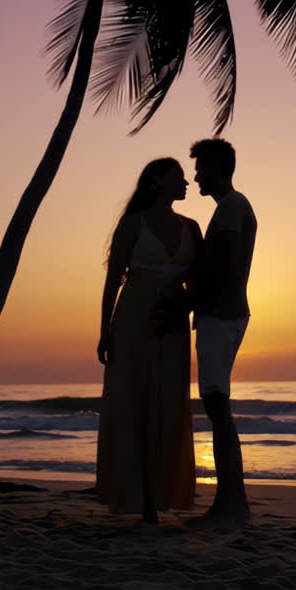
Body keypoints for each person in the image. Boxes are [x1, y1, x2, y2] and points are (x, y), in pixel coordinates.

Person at [95, 158, 203, 521]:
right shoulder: (133, 225)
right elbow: (113, 282)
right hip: (133, 318)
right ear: (158, 182)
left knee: (169, 401)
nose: (186, 183)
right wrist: (104, 331)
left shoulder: (192, 227)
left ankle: (162, 494)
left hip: (172, 321)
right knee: (134, 399)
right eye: (179, 178)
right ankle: (139, 501)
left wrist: (187, 308)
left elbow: (200, 280)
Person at [188, 138, 257, 529]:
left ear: (217, 167)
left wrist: (185, 298)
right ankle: (231, 502)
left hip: (221, 312)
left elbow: (224, 263)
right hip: (220, 312)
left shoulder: (232, 206)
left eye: (200, 168)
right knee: (217, 407)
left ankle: (232, 504)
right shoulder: (231, 206)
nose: (196, 176)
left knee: (217, 406)